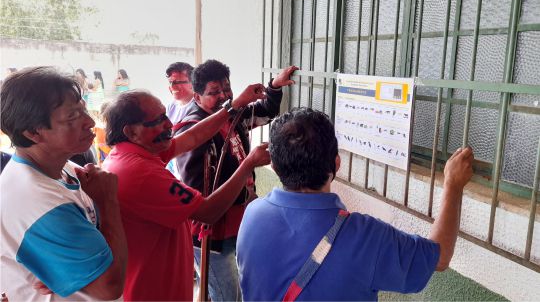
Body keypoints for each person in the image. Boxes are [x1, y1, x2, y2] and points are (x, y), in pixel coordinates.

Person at [236, 107, 474, 301]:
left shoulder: (252, 215)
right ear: (336, 164)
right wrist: (453, 184)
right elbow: (439, 257)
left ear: (274, 166)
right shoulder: (367, 237)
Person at [102, 83, 270, 301]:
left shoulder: (135, 152)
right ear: (132, 131)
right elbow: (208, 211)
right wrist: (247, 165)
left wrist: (233, 106)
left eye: (165, 115)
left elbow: (191, 137)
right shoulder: (140, 172)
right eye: (158, 121)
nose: (169, 124)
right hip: (153, 292)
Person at [0, 66, 127, 301]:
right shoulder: (37, 199)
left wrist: (61, 267)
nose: (89, 122)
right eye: (72, 117)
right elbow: (108, 287)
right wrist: (108, 201)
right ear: (32, 132)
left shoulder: (63, 169)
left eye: (83, 111)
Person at [174, 60, 297, 301]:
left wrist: (274, 86)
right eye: (213, 93)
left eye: (226, 89)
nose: (223, 96)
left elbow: (265, 112)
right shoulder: (191, 130)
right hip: (212, 233)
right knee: (226, 296)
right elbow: (200, 195)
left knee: (243, 288)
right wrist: (248, 164)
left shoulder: (232, 115)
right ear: (197, 96)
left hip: (242, 221)